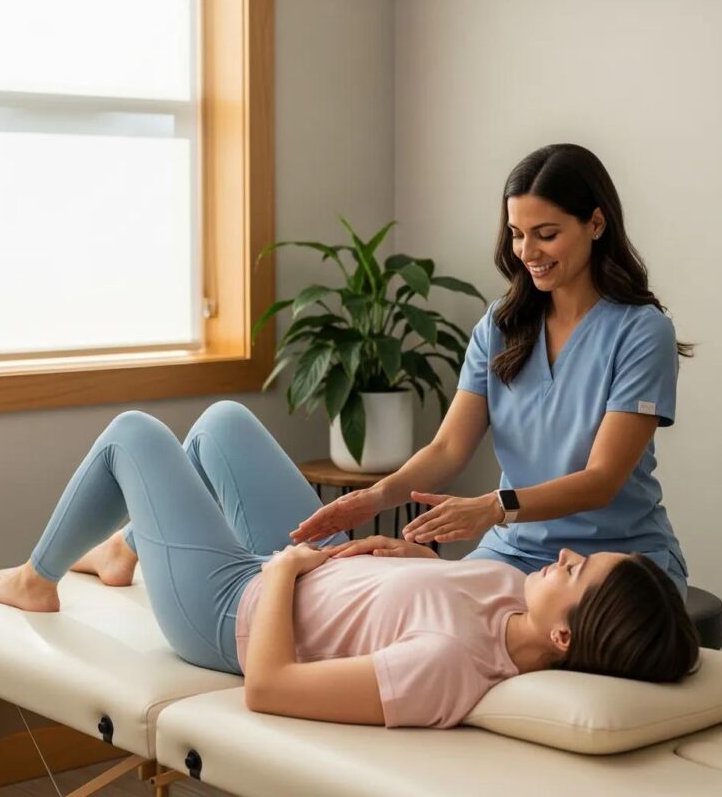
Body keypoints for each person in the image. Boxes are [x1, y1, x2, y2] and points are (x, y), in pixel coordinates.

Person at [0, 401, 699, 729]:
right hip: (311, 565)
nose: (565, 554)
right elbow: (424, 588)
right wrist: (396, 555)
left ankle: (35, 580)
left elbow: (270, 687)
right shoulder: (511, 587)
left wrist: (284, 575)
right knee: (222, 425)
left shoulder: (449, 668)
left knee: (134, 435)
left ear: (565, 640)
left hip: (232, 609)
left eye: (576, 573)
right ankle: (122, 553)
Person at [291, 143, 694, 602]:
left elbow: (602, 479)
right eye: (517, 234)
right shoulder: (501, 325)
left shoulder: (642, 332)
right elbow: (447, 448)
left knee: (524, 644)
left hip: (612, 564)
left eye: (546, 233)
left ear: (596, 224)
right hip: (513, 553)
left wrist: (495, 507)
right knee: (412, 605)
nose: (527, 251)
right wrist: (377, 497)